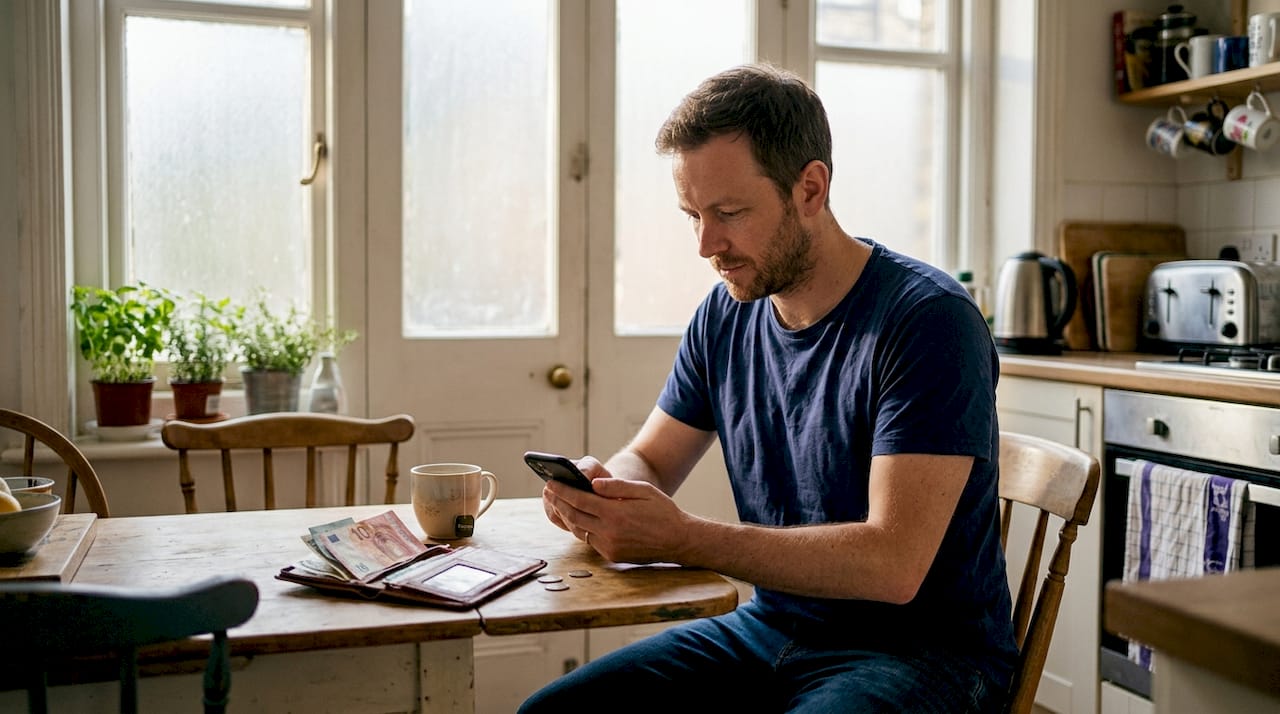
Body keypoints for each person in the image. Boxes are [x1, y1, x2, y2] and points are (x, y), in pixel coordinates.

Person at [520, 63, 1015, 713]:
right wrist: (607, 492)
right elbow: (653, 458)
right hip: (772, 628)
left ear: (810, 189)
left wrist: (681, 537)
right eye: (693, 215)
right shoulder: (727, 313)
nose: (706, 245)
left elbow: (893, 565)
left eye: (728, 213)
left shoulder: (929, 321)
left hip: (923, 654)